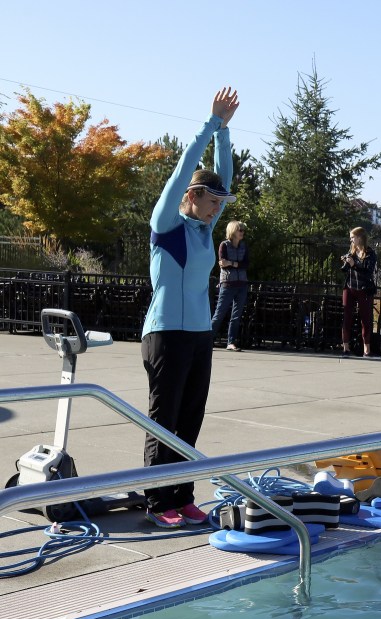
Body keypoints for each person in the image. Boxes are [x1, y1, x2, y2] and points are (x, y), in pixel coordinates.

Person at [141, 87, 239, 529]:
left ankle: (183, 494)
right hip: (165, 334)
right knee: (165, 420)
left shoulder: (205, 229)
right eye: (212, 200)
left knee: (191, 419)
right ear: (192, 197)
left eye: (220, 204)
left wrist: (225, 133)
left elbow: (227, 179)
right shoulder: (167, 224)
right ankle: (158, 502)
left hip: (200, 335)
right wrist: (209, 123)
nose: (218, 207)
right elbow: (181, 172)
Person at [210, 220, 249, 351]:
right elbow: (222, 262)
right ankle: (207, 339)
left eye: (243, 230)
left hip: (242, 284)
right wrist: (236, 264)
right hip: (227, 283)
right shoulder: (224, 245)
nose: (242, 232)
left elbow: (246, 264)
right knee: (219, 313)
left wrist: (231, 263)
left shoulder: (244, 246)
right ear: (233, 231)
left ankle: (231, 342)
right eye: (240, 230)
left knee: (236, 315)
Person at [340, 226, 377, 358]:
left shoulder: (370, 253)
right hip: (350, 287)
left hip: (364, 289)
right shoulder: (352, 251)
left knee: (365, 319)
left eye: (352, 237)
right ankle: (346, 348)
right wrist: (346, 262)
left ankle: (366, 350)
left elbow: (368, 271)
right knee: (347, 317)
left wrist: (354, 265)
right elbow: (344, 270)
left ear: (360, 237)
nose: (351, 240)